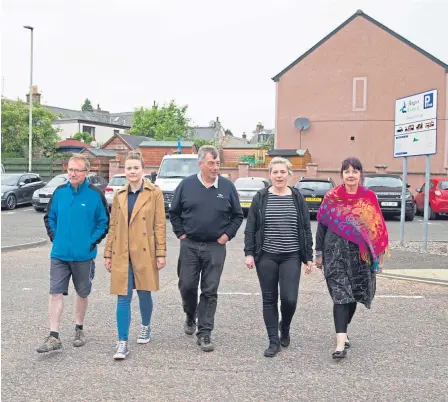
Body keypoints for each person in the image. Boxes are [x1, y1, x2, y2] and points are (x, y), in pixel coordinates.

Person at [169, 145, 243, 352]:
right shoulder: (186, 185)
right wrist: (181, 234)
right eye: (211, 163)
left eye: (217, 163)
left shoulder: (227, 187)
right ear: (200, 164)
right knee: (187, 287)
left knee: (210, 291)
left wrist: (227, 235)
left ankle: (205, 333)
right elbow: (174, 212)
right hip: (190, 245)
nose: (215, 167)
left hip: (215, 247)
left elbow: (237, 215)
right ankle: (190, 315)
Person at [315, 157, 389, 359]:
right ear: (342, 175)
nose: (350, 175)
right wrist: (318, 252)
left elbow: (376, 226)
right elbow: (322, 225)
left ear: (360, 174)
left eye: (354, 171)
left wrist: (377, 253)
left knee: (354, 295)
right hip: (335, 254)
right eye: (346, 171)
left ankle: (343, 331)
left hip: (359, 256)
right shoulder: (332, 197)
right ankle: (340, 344)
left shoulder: (368, 198)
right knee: (341, 296)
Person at [38, 154, 109, 353]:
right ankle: (54, 336)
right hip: (59, 254)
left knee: (82, 292)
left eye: (77, 170)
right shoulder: (60, 192)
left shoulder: (95, 195)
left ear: (86, 172)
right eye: (70, 169)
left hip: (83, 256)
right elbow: (49, 217)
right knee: (55, 293)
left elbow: (104, 222)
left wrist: (90, 242)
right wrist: (55, 237)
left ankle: (79, 328)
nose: (72, 173)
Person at [244, 157, 314, 357]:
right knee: (269, 299)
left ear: (289, 174)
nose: (279, 176)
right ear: (270, 174)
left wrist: (308, 256)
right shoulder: (261, 197)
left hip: (291, 256)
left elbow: (305, 228)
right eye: (275, 172)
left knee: (289, 299)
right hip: (266, 256)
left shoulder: (297, 197)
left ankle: (285, 328)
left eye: (283, 172)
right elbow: (251, 228)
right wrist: (249, 253)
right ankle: (273, 341)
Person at [104, 151, 166, 360]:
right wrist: (108, 253)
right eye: (129, 168)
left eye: (136, 168)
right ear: (125, 170)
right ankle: (122, 342)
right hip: (122, 251)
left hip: (144, 251)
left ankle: (146, 326)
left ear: (143, 170)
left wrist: (161, 253)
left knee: (144, 293)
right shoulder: (119, 194)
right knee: (123, 297)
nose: (132, 172)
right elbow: (113, 225)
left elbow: (159, 224)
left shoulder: (154, 192)